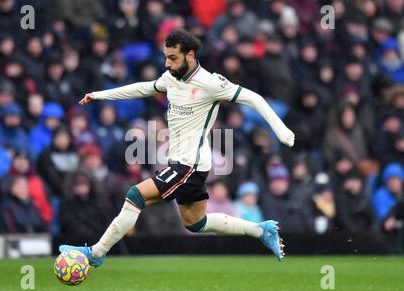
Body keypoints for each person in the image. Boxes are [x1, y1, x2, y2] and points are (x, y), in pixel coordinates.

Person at [60, 29, 295, 266]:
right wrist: (99, 95)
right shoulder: (170, 78)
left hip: (189, 164)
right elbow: (143, 88)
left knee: (135, 195)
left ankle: (96, 253)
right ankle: (261, 231)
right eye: (165, 57)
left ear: (190, 55)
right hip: (184, 163)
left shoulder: (211, 83)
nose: (167, 63)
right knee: (195, 223)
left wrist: (282, 131)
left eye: (173, 57)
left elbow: (255, 98)